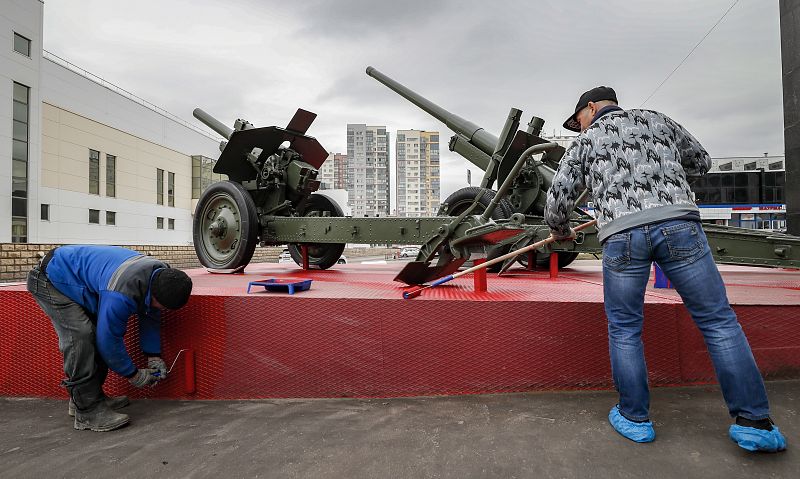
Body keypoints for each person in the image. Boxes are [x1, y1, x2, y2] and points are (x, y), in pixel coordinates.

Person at [544, 86, 787, 452]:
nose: (579, 127)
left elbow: (559, 195)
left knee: (625, 328)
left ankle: (634, 418)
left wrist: (559, 230)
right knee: (718, 321)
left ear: (591, 108)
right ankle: (755, 423)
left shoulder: (588, 139)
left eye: (578, 119)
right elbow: (700, 162)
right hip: (679, 225)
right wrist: (665, 177)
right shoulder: (658, 121)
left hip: (622, 234)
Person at [27, 245, 193, 432]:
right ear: (154, 294)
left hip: (76, 277)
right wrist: (134, 374)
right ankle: (87, 411)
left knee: (95, 330)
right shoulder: (121, 293)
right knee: (81, 336)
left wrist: (152, 355)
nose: (161, 311)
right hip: (50, 279)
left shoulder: (161, 276)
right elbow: (108, 341)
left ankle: (89, 398)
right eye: (162, 307)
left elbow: (151, 314)